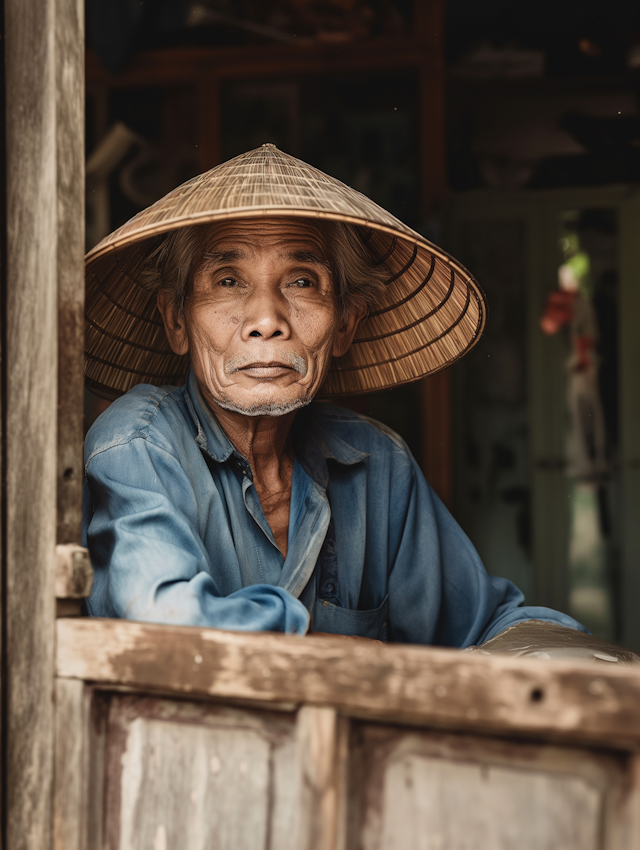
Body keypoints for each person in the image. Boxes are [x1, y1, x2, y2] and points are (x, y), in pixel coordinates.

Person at [82, 144, 585, 645]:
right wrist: (339, 653)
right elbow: (165, 624)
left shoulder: (378, 465)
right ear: (176, 320)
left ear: (345, 323)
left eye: (302, 282)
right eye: (228, 280)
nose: (266, 321)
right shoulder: (138, 445)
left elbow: (485, 622)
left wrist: (565, 656)